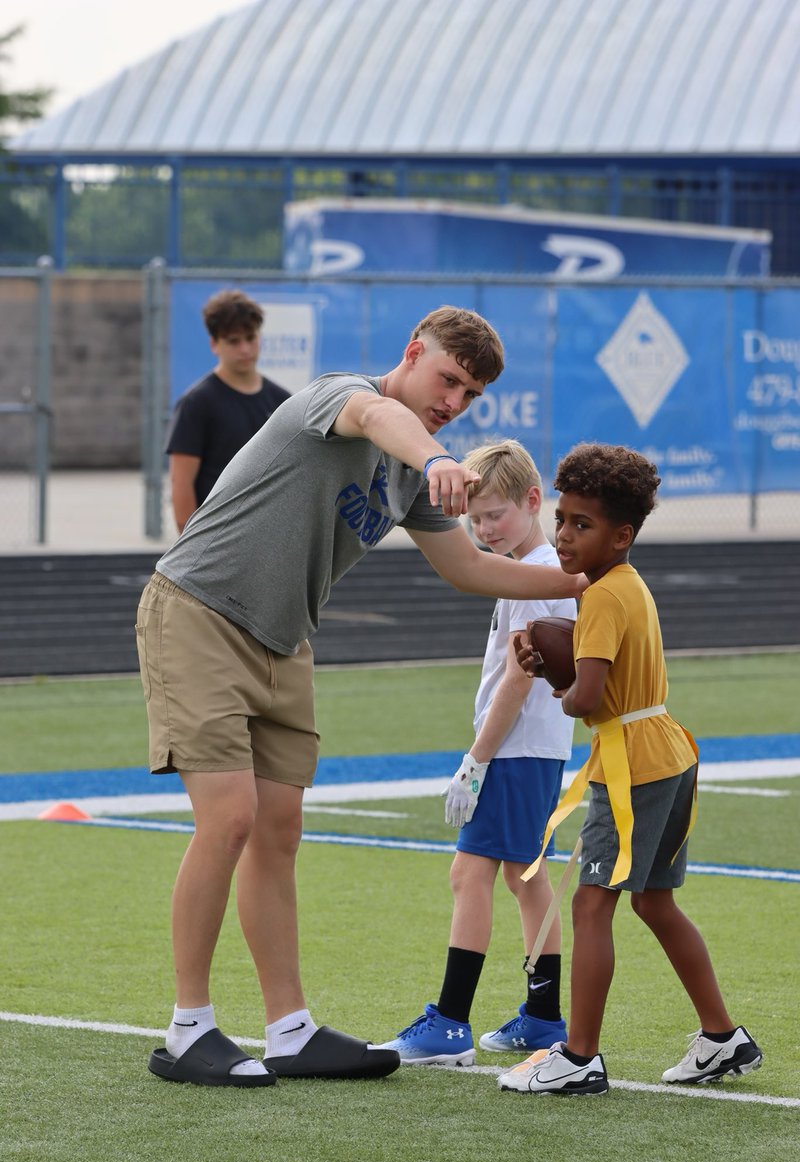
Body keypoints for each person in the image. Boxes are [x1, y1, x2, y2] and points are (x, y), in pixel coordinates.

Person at [135, 305, 587, 1088]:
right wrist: (438, 453)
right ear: (414, 353)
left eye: (471, 395)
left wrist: (588, 582)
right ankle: (186, 1031)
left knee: (279, 831)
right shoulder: (340, 395)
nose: (454, 400)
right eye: (448, 378)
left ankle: (290, 1031)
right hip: (199, 612)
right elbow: (379, 414)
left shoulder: (410, 475)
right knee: (231, 819)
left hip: (284, 640)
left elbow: (472, 571)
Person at [499, 443, 763, 1095]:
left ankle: (579, 1054)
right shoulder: (622, 584)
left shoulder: (604, 598)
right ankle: (722, 1037)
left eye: (581, 525)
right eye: (561, 519)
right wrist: (561, 656)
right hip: (667, 750)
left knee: (591, 907)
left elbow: (587, 700)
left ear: (622, 533)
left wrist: (550, 678)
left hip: (630, 767)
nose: (563, 535)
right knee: (654, 902)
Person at [379, 440, 575, 1065]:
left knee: (471, 874)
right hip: (532, 750)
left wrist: (477, 759)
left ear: (533, 501)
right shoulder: (530, 567)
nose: (484, 530)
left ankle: (451, 1022)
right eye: (474, 520)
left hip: (517, 751)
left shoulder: (535, 572)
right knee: (527, 879)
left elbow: (520, 676)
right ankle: (544, 1015)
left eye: (495, 514)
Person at [165, 289, 290, 533]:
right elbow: (181, 483)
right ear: (214, 344)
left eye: (250, 338)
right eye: (233, 341)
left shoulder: (283, 402)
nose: (245, 349)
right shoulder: (196, 403)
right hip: (217, 538)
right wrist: (190, 547)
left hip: (268, 535)